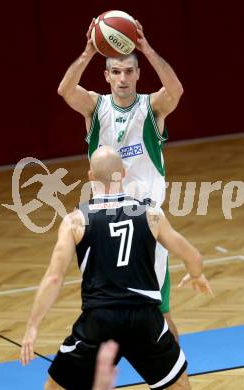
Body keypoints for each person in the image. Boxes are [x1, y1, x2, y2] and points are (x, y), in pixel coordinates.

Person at [20, 146, 212, 389]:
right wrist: (196, 275)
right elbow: (193, 256)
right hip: (144, 318)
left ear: (90, 176)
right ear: (123, 173)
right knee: (180, 386)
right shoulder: (151, 214)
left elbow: (54, 279)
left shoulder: (75, 221)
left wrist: (32, 327)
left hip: (100, 320)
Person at [57, 19, 184, 338]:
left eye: (129, 70)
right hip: (103, 225)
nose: (123, 78)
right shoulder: (94, 107)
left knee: (160, 312)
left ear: (138, 74)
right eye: (116, 71)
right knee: (100, 313)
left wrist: (146, 49)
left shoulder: (151, 107)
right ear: (107, 76)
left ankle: (176, 377)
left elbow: (175, 90)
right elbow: (65, 91)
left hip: (146, 222)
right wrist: (89, 51)